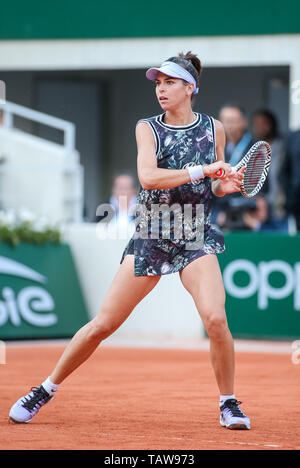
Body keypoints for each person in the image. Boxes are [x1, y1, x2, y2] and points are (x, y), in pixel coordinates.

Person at [9, 51, 250, 430]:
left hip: (195, 233)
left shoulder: (214, 128)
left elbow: (216, 184)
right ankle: (44, 389)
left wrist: (225, 184)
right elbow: (149, 178)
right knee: (104, 324)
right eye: (158, 83)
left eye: (170, 82)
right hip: (153, 232)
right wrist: (205, 170)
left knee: (216, 319)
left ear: (190, 87)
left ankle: (229, 403)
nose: (161, 89)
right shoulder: (147, 128)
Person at [212, 103, 254, 228]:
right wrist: (216, 214)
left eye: (232, 121)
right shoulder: (212, 148)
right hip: (218, 214)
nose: (227, 125)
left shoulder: (256, 148)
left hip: (248, 215)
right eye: (224, 120)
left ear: (244, 122)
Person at [252, 109, 286, 219]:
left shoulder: (284, 147)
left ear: (272, 124)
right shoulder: (254, 149)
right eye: (257, 124)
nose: (260, 128)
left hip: (283, 207)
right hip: (262, 209)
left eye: (264, 124)